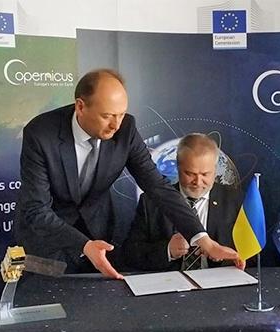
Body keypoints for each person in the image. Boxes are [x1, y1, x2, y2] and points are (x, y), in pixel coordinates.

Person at [13, 69, 240, 279]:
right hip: (48, 241)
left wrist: (201, 238)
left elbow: (157, 187)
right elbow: (36, 208)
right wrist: (84, 245)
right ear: (80, 107)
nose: (116, 125)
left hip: (99, 237)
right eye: (107, 116)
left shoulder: (126, 129)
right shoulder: (41, 133)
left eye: (121, 114)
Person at [124, 133, 242, 271]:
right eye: (190, 174)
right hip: (169, 282)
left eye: (205, 174)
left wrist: (223, 257)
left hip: (219, 281)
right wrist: (167, 250)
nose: (198, 182)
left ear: (215, 170)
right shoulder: (150, 202)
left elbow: (250, 255)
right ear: (178, 167)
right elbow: (129, 255)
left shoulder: (235, 200)